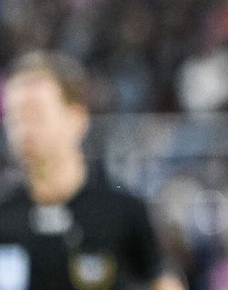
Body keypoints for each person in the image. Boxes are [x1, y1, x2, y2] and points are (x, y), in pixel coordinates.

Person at [0, 51, 185, 290]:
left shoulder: (122, 212)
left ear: (77, 117)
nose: (24, 127)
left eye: (35, 113)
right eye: (14, 116)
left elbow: (163, 280)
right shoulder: (4, 214)